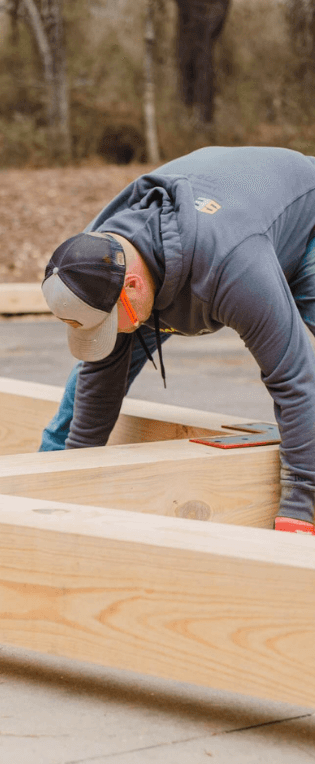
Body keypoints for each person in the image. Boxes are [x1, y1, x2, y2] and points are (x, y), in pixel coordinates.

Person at [40, 145, 315, 535]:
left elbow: (295, 378)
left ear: (132, 286)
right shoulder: (97, 258)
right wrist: (67, 485)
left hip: (302, 212)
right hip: (202, 239)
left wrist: (300, 510)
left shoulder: (231, 264)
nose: (110, 335)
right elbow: (100, 379)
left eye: (109, 322)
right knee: (104, 358)